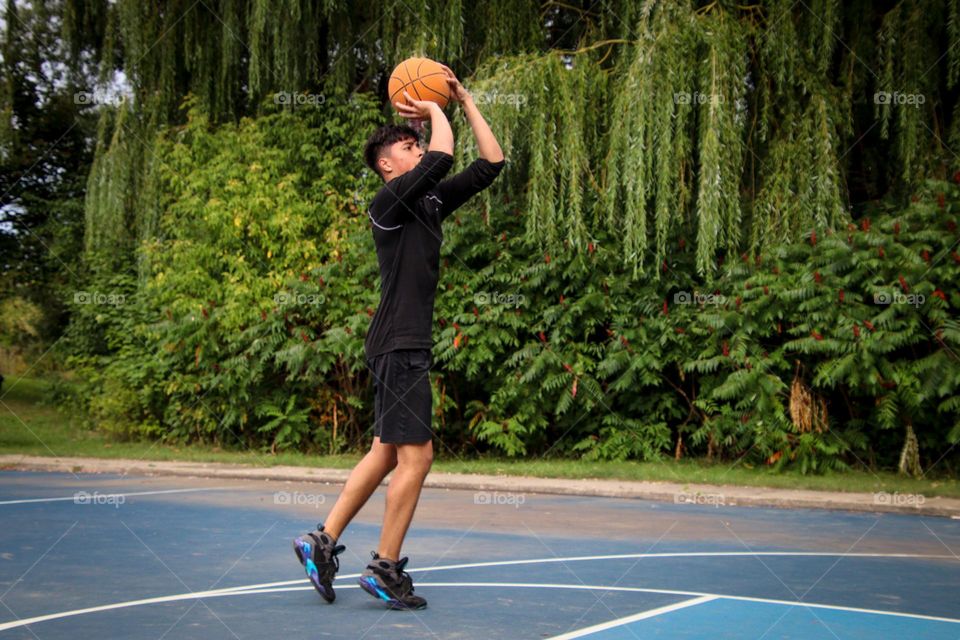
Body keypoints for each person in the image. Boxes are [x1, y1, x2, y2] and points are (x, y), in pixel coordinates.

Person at [293, 65, 505, 611]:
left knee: (387, 453)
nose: (419, 148)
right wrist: (432, 108)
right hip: (400, 343)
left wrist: (463, 99)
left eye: (417, 141)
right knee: (418, 458)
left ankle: (320, 541)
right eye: (409, 145)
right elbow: (443, 158)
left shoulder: (429, 203)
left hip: (397, 343)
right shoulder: (387, 205)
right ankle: (385, 568)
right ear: (390, 165)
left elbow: (489, 165)